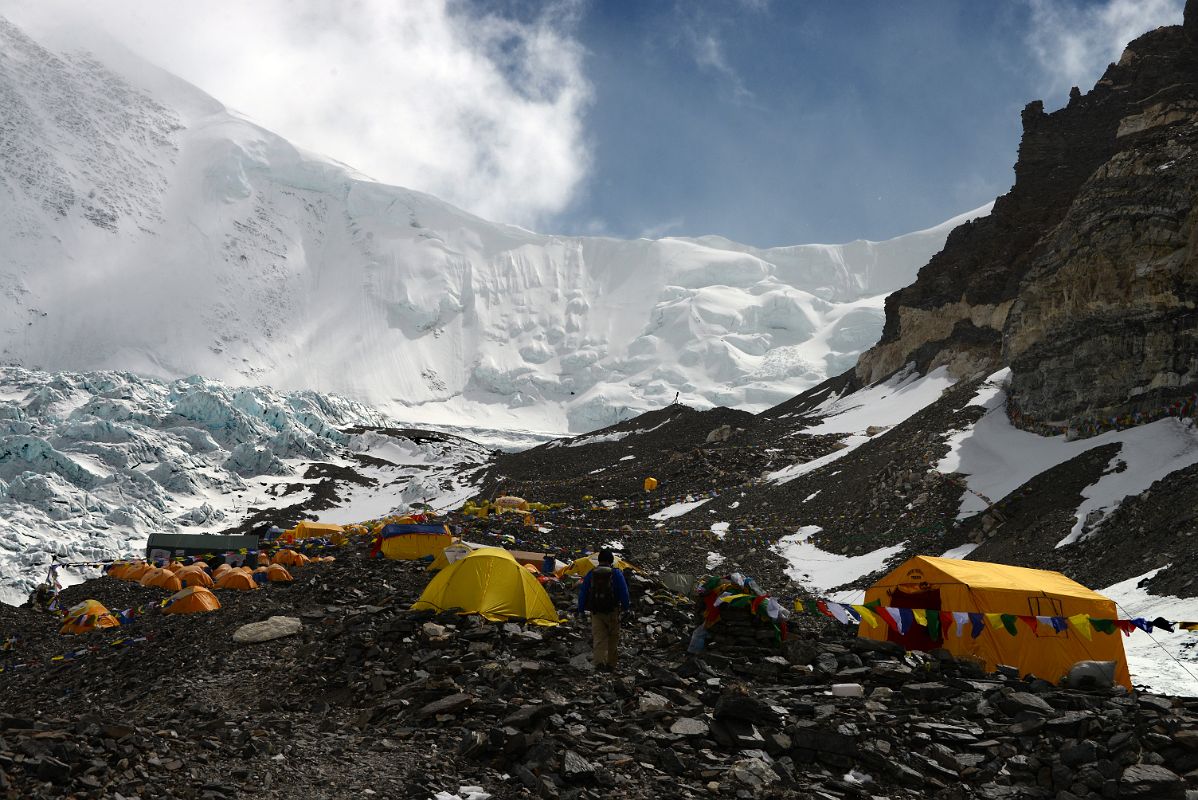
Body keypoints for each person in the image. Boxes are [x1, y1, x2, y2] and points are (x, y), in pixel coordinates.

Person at [576, 550, 631, 672]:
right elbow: (624, 592)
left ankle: (599, 663)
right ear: (611, 561)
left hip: (596, 612)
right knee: (612, 638)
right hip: (612, 610)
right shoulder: (616, 573)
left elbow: (583, 593)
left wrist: (580, 610)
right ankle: (611, 665)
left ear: (599, 560)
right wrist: (626, 608)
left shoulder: (591, 573)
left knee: (599, 638)